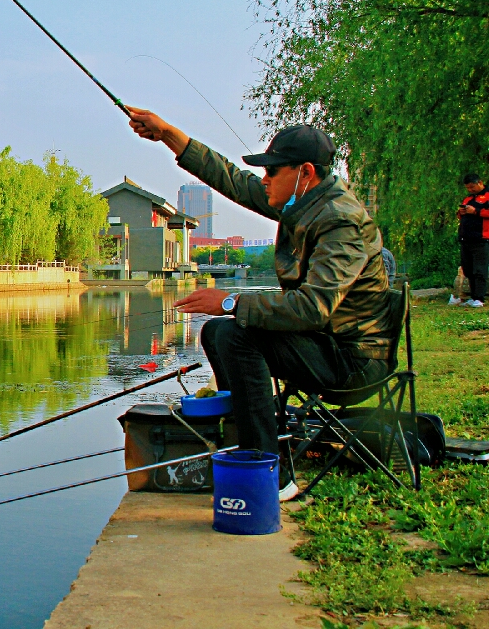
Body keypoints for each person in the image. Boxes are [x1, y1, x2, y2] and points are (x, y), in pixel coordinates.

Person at [126, 111, 394, 501]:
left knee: (235, 334)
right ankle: (247, 446)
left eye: (273, 171)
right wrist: (167, 133)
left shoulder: (340, 222)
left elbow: (313, 307)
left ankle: (270, 470)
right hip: (323, 343)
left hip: (352, 359)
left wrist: (231, 300)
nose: (264, 179)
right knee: (218, 331)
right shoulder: (306, 203)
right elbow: (232, 180)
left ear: (305, 173)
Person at [455, 173, 489, 308]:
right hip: (466, 239)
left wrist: (476, 211)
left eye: (472, 187)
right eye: (468, 188)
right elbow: (461, 216)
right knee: (468, 269)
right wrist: (461, 213)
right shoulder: (468, 199)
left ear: (480, 183)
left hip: (481, 238)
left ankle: (480, 298)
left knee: (479, 269)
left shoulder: (487, 196)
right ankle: (473, 296)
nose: (470, 190)